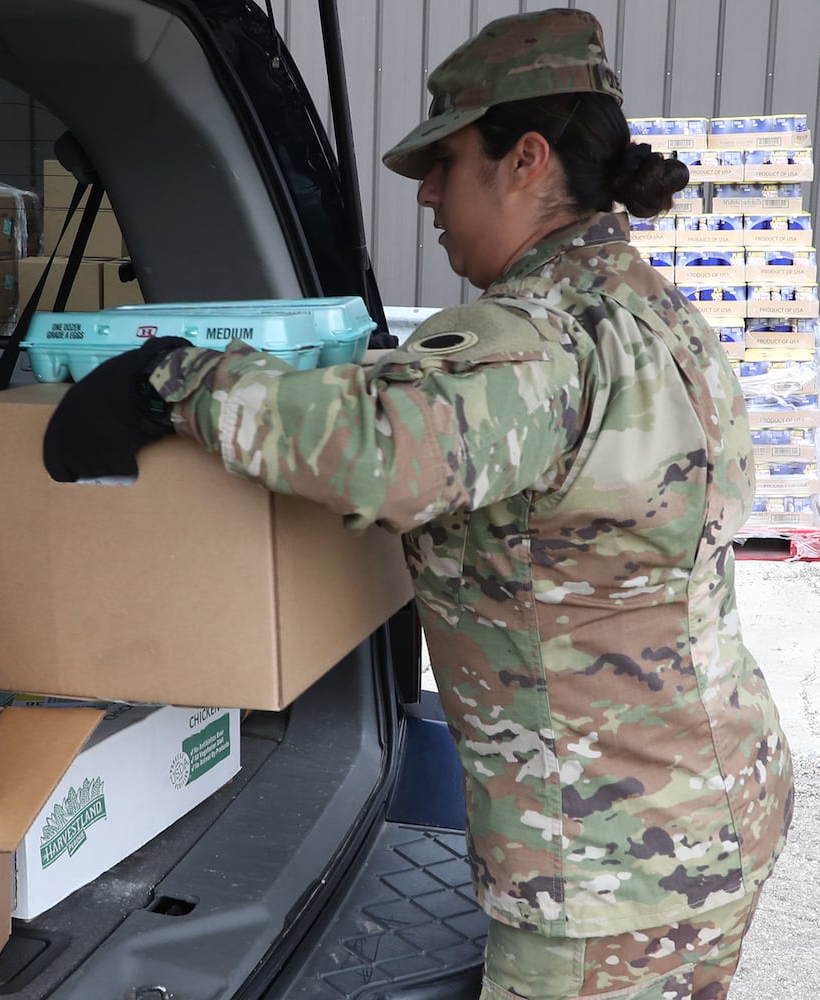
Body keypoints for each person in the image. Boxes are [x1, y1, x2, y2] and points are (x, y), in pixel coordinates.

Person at [41, 8, 794, 998]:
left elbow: (381, 450)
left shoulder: (533, 336)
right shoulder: (649, 312)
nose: (428, 196)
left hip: (601, 867)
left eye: (443, 162)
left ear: (524, 159)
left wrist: (174, 382)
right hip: (710, 808)